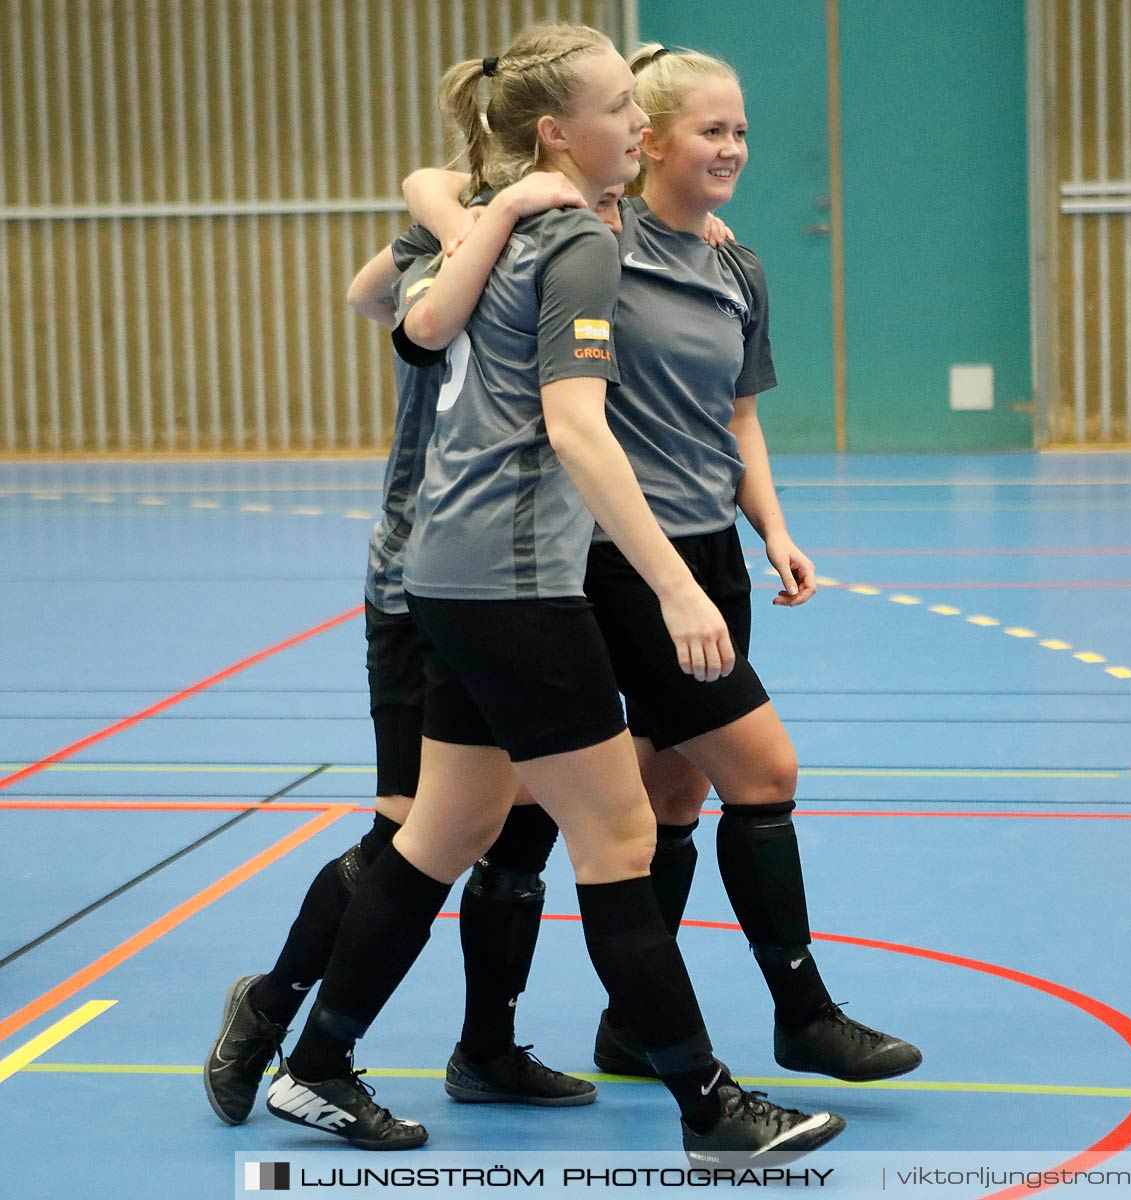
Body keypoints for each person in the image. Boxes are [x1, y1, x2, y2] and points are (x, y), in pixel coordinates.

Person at [262, 23, 844, 1162]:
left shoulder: (505, 230)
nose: (640, 123)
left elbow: (412, 320)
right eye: (621, 107)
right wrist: (676, 585)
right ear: (555, 134)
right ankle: (709, 1108)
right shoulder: (570, 240)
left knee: (448, 827)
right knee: (619, 829)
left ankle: (314, 1066)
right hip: (515, 577)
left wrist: (464, 205)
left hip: (445, 566)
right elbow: (579, 428)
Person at [401, 42, 921, 1086]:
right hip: (613, 558)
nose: (730, 148)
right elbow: (437, 185)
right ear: (649, 140)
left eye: (739, 132)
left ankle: (628, 1029)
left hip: (708, 551)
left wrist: (769, 525)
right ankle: (799, 1013)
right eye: (707, 130)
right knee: (751, 772)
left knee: (670, 799)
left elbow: (739, 418)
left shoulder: (735, 264)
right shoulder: (593, 230)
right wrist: (482, 216)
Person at [203, 177, 617, 1129]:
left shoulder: (563, 243)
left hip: (528, 575)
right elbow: (368, 293)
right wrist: (460, 215)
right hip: (420, 577)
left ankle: (488, 1049)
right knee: (409, 827)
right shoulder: (458, 246)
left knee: (520, 822)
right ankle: (273, 1008)